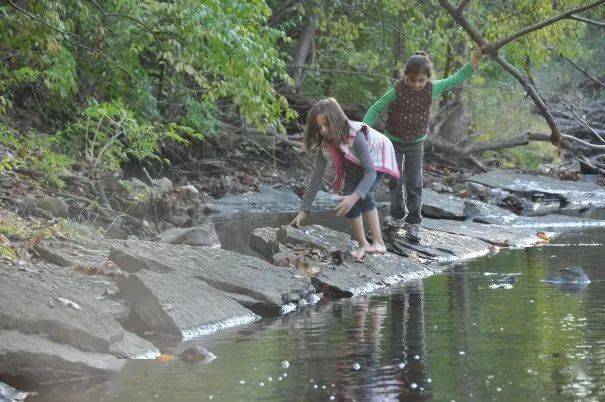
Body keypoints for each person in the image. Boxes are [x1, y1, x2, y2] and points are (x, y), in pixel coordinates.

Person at [362, 47, 484, 243]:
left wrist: (476, 58)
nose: (416, 85)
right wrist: (363, 131)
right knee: (395, 181)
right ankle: (396, 215)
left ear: (428, 78)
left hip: (416, 144)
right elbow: (376, 108)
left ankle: (414, 222)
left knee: (414, 182)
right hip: (393, 141)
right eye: (412, 80)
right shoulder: (396, 90)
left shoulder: (432, 88)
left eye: (421, 80)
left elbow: (458, 77)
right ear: (405, 76)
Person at [290, 98, 400, 260]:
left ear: (336, 120)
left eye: (326, 125)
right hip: (353, 159)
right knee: (347, 197)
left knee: (361, 194)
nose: (323, 131)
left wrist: (354, 197)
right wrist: (303, 211)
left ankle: (379, 242)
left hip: (377, 156)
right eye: (319, 127)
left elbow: (369, 173)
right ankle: (363, 245)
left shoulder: (355, 136)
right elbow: (317, 176)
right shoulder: (325, 144)